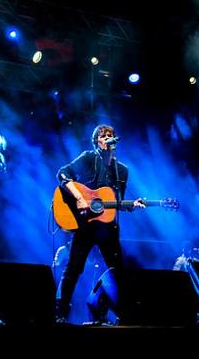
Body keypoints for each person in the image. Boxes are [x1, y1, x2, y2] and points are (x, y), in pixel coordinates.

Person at [54, 124, 145, 323]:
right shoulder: (88, 158)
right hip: (85, 224)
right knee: (74, 267)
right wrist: (79, 197)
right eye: (103, 135)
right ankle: (60, 313)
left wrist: (131, 205)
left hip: (108, 226)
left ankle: (125, 315)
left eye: (111, 135)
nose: (108, 137)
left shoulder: (122, 170)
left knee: (118, 270)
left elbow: (116, 201)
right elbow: (62, 173)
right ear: (97, 141)